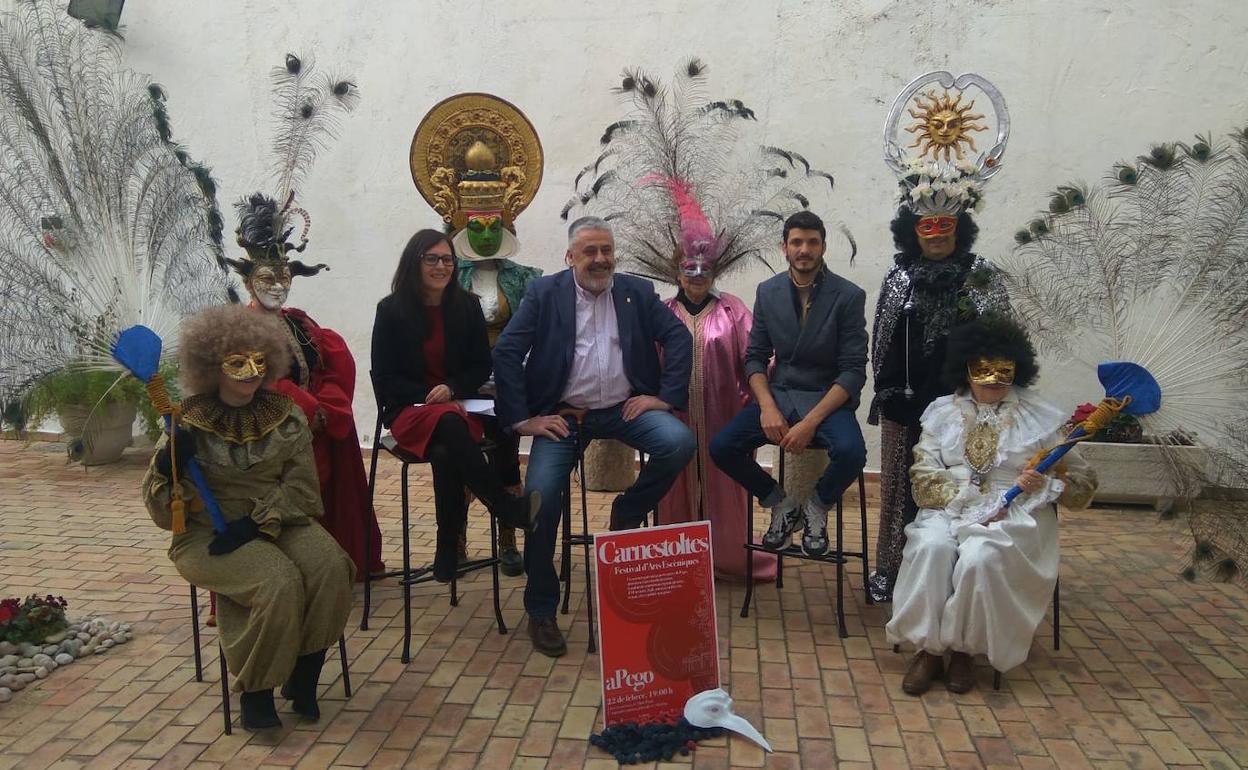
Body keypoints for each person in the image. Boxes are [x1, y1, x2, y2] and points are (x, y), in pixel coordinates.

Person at [142, 304, 354, 730]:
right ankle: (256, 692)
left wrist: (257, 522)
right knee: (277, 581)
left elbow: (303, 490)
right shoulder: (186, 423)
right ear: (210, 366)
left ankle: (303, 677)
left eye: (259, 360)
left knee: (332, 566)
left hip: (277, 521)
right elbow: (164, 512)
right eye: (236, 362)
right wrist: (169, 466)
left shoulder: (287, 416)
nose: (251, 371)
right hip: (206, 536)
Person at [492, 216, 696, 657]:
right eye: (590, 252)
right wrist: (523, 419)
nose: (600, 259)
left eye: (606, 250)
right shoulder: (545, 294)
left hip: (625, 409)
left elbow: (678, 336)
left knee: (678, 442)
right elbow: (508, 351)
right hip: (564, 418)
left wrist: (663, 397)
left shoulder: (636, 292)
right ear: (570, 258)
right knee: (542, 498)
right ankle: (541, 607)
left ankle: (628, 508)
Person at [885, 316, 1096, 695]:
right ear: (965, 368)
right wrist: (965, 501)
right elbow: (922, 472)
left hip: (1018, 512)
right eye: (985, 368)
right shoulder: (940, 412)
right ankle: (930, 649)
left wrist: (1045, 483)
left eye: (1005, 369)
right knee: (932, 549)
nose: (996, 379)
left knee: (979, 557)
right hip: (950, 504)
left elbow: (1081, 486)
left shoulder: (1042, 418)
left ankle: (965, 650)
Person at [869, 73, 1014, 603]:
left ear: (960, 231)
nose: (936, 239)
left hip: (967, 408)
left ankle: (963, 572)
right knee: (900, 492)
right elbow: (882, 344)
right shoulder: (898, 278)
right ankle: (892, 569)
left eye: (945, 230)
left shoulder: (982, 277)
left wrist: (991, 401)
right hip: (907, 403)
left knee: (966, 488)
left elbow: (1002, 343)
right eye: (926, 229)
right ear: (912, 232)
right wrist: (884, 396)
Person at [411, 92, 546, 578]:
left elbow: (539, 334)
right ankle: (457, 538)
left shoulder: (527, 278)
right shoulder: (444, 277)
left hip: (508, 383)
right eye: (476, 222)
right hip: (457, 382)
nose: (485, 230)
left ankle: (508, 537)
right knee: (458, 450)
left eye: (493, 221)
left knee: (507, 444)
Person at [226, 194, 384, 581]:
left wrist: (327, 406)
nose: (278, 285)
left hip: (313, 428)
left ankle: (327, 565)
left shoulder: (300, 324)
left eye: (284, 276)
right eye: (267, 277)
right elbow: (255, 381)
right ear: (247, 281)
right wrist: (307, 410)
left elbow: (330, 366)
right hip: (266, 434)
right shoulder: (235, 331)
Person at [371, 229, 539, 582]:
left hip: (458, 403)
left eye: (447, 259)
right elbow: (385, 378)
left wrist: (451, 388)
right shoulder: (390, 310)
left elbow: (480, 365)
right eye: (431, 258)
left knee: (456, 445)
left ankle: (448, 547)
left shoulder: (467, 305)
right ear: (414, 263)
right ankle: (506, 507)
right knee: (449, 422)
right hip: (409, 409)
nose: (441, 266)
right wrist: (430, 392)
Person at [710, 211, 868, 557]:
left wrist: (811, 423)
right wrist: (767, 406)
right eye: (796, 242)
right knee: (722, 446)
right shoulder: (768, 292)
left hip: (827, 399)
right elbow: (754, 357)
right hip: (779, 395)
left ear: (823, 247)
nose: (804, 249)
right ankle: (780, 503)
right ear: (785, 247)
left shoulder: (849, 296)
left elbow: (854, 370)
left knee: (853, 453)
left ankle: (815, 507)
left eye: (812, 242)